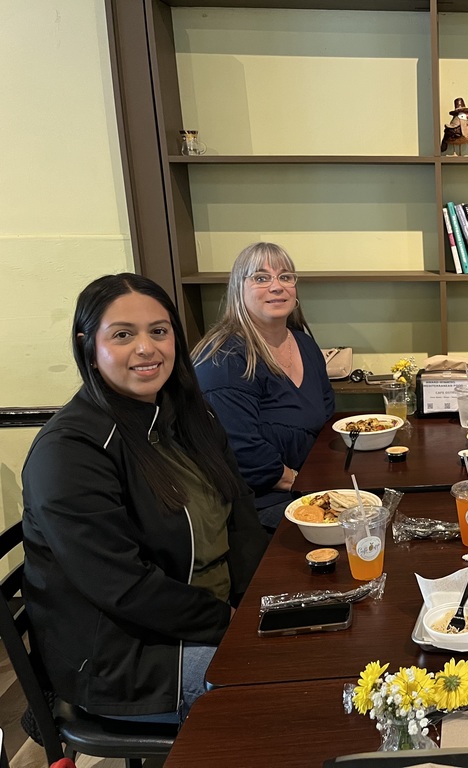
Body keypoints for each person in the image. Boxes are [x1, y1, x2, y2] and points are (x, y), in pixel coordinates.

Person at [21, 274, 268, 724]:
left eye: (159, 330)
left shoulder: (188, 415)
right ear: (88, 348)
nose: (146, 348)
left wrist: (259, 601)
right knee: (282, 692)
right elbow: (124, 586)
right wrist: (231, 622)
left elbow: (241, 512)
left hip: (210, 615)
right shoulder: (68, 452)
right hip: (128, 655)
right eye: (122, 335)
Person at [192, 242, 334, 528]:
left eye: (285, 276)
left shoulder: (304, 344)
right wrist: (305, 485)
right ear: (238, 288)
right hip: (257, 506)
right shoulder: (225, 358)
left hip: (309, 488)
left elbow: (327, 415)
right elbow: (241, 452)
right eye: (260, 277)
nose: (276, 286)